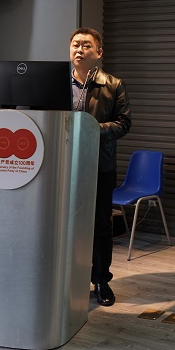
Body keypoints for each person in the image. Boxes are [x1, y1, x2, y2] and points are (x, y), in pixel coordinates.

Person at [70, 27, 131, 306]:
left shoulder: (113, 84)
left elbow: (124, 123)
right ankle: (67, 278)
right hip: (63, 166)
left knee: (100, 226)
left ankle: (101, 281)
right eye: (75, 44)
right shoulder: (56, 83)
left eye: (86, 45)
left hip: (100, 165)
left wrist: (91, 128)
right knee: (64, 224)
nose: (79, 49)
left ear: (99, 52)